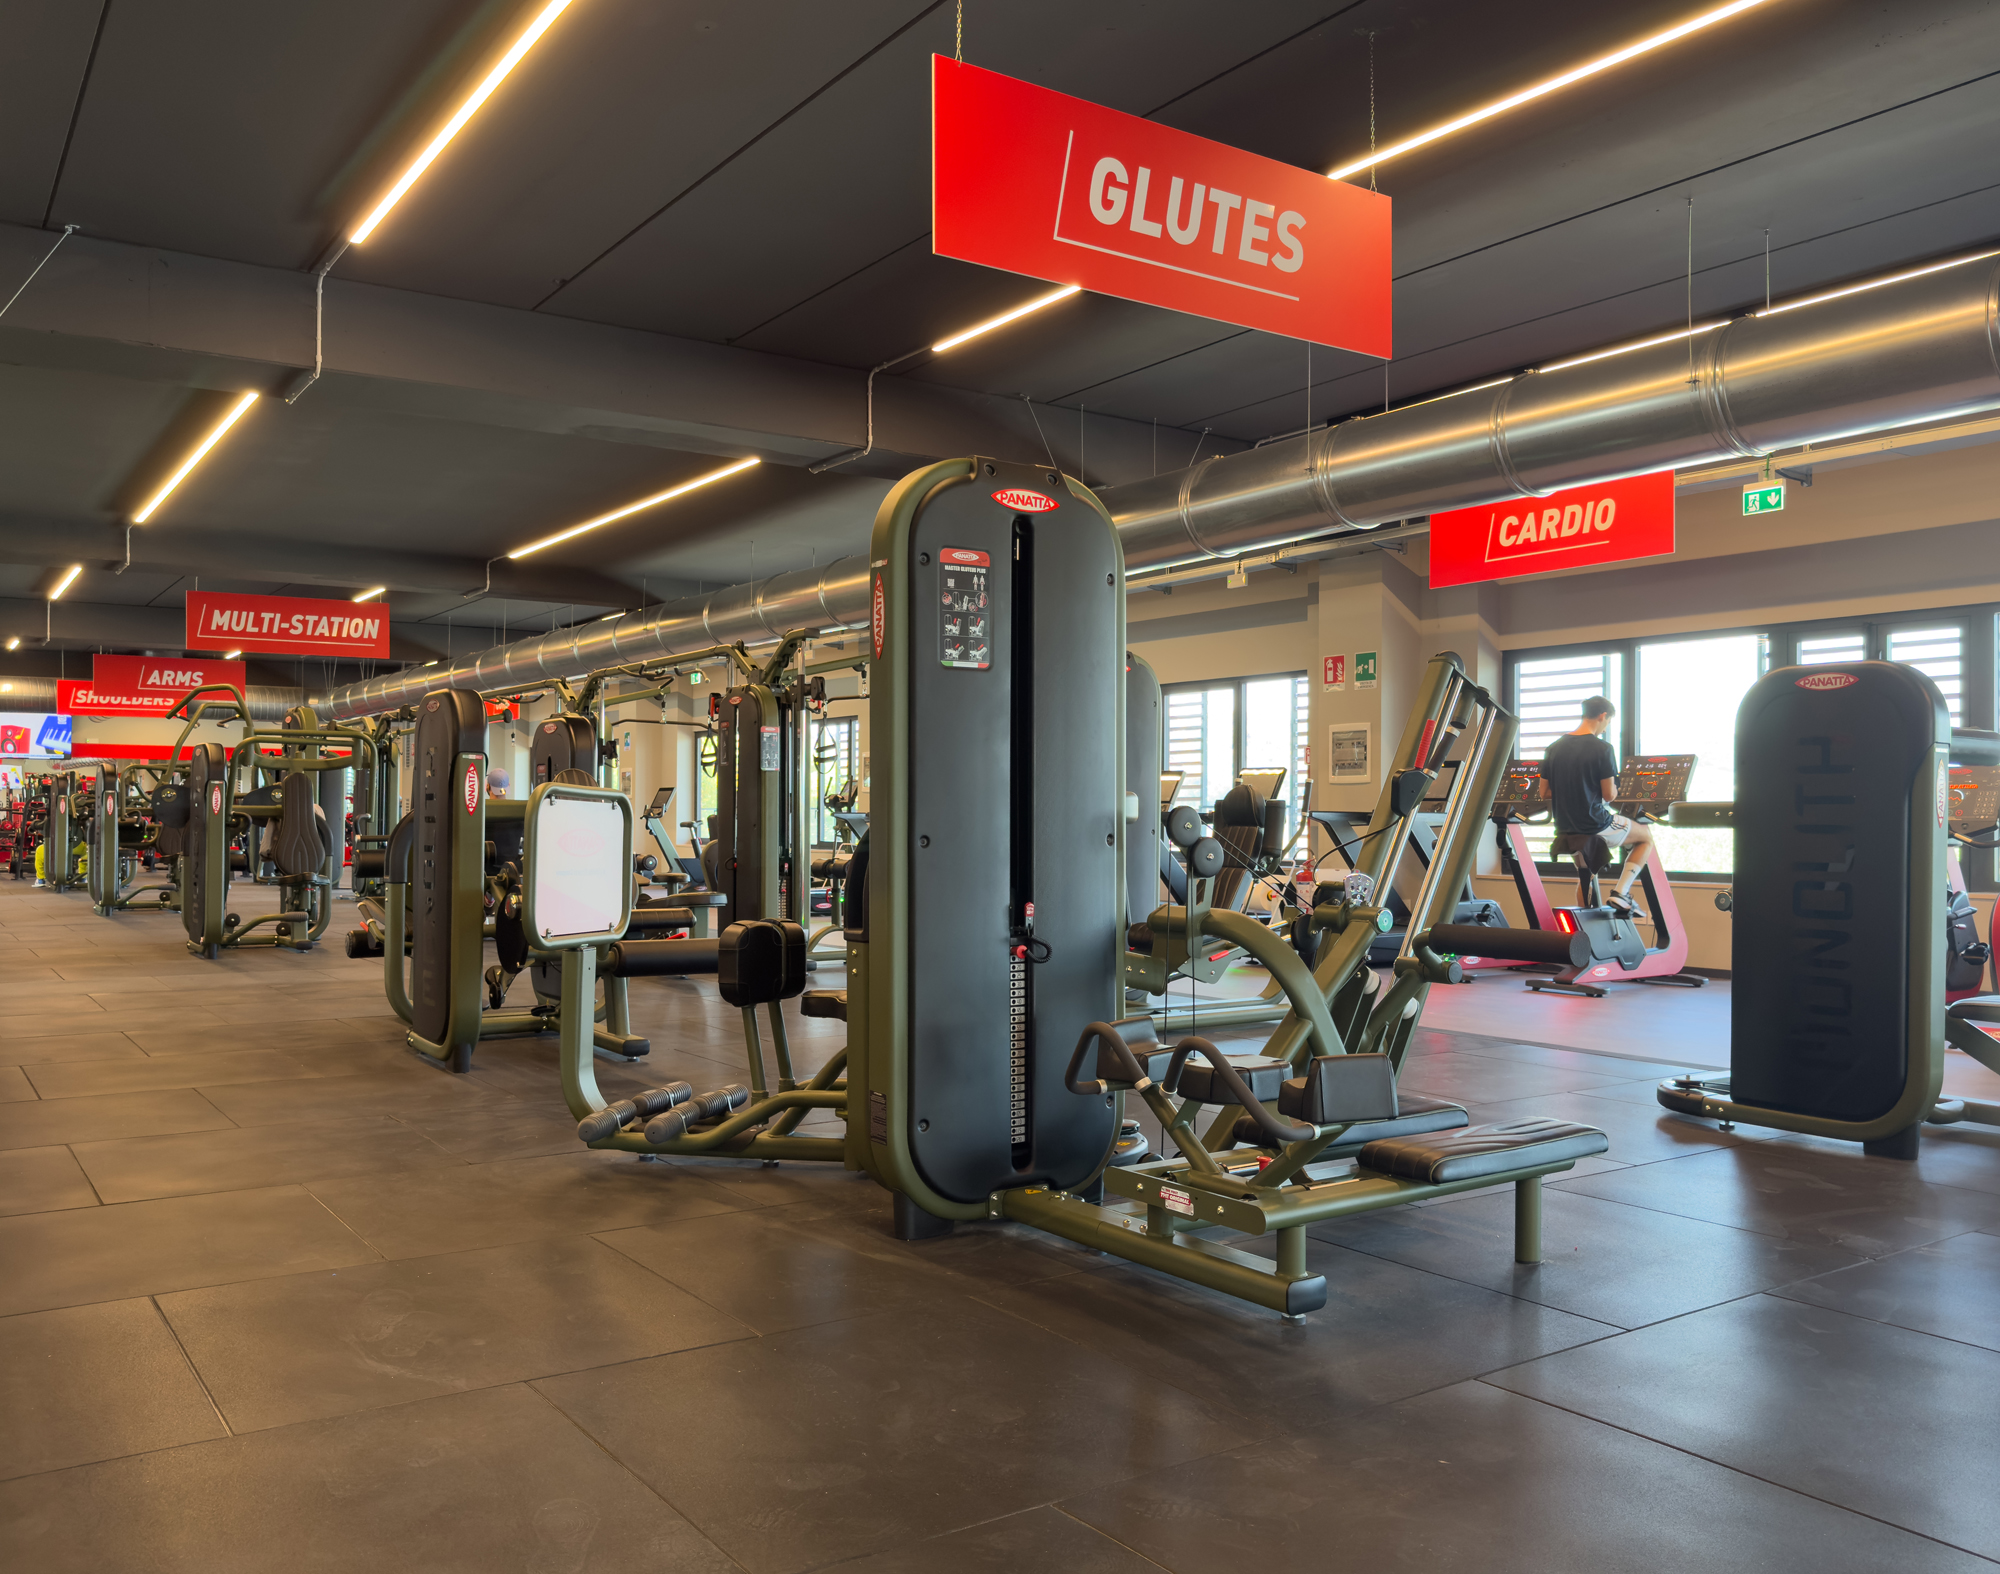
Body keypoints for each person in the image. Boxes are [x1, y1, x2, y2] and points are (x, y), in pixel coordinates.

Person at [1536, 696, 1650, 914]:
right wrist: (1612, 788)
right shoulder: (1602, 749)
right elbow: (1609, 795)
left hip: (1567, 828)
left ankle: (1584, 927)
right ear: (1602, 716)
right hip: (1595, 824)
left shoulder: (1553, 748)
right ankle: (1621, 892)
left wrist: (1573, 790)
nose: (1605, 728)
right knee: (1645, 837)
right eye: (1608, 722)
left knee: (1586, 875)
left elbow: (1545, 792)